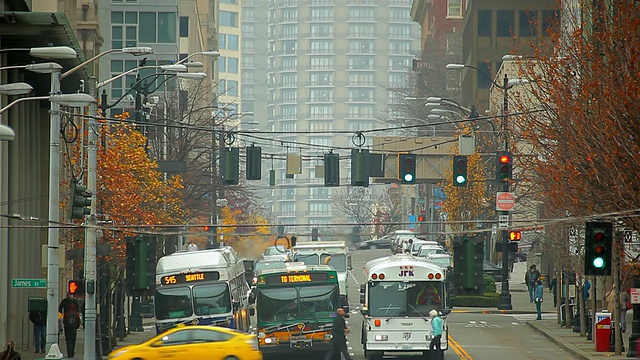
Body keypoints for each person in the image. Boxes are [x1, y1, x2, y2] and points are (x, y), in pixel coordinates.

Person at [59, 292, 81, 358]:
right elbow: (78, 313)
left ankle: (70, 352)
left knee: (69, 338)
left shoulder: (65, 301)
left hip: (68, 323)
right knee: (71, 338)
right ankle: (71, 352)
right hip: (71, 324)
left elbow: (60, 309)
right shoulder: (74, 302)